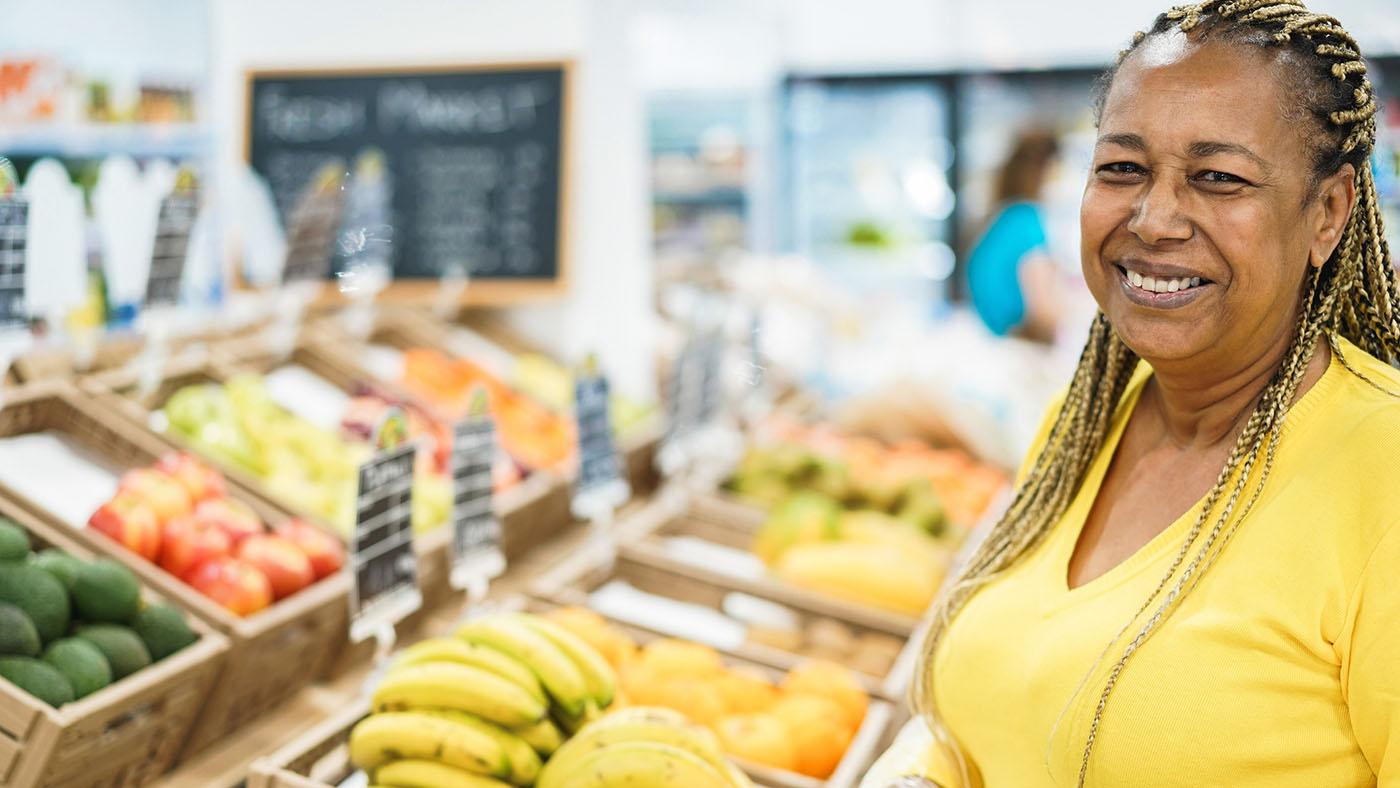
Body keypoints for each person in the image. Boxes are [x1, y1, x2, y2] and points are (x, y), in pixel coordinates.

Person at [866, 1, 1398, 786]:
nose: (1154, 219)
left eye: (1218, 178)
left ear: (1327, 212)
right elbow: (988, 709)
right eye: (1122, 168)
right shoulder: (1080, 425)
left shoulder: (1380, 473)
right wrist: (916, 770)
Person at [965, 129, 1064, 342]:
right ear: (1048, 170)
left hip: (994, 342)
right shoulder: (1026, 220)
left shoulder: (1003, 217)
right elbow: (1042, 311)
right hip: (1018, 346)